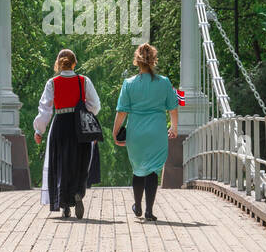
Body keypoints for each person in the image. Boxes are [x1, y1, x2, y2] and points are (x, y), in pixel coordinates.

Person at [112, 43, 178, 220]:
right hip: (157, 132)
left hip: (137, 133)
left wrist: (115, 131)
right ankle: (149, 211)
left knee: (138, 169)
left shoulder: (129, 84)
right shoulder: (164, 82)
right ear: (153, 60)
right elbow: (173, 108)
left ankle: (138, 207)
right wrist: (174, 127)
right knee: (153, 170)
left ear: (137, 61)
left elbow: (122, 111)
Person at [33, 48, 101, 218]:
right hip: (80, 126)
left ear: (58, 63)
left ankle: (64, 206)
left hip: (61, 124)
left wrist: (39, 130)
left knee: (61, 164)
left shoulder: (52, 83)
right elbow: (95, 106)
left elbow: (45, 110)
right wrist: (84, 112)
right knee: (79, 163)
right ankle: (78, 192)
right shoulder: (84, 81)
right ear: (74, 63)